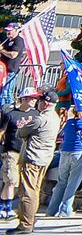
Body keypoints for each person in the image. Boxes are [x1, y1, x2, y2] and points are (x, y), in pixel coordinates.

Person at [11, 90, 56, 234]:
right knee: (35, 190)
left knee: (27, 191)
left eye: (41, 101)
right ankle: (30, 219)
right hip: (44, 158)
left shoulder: (40, 119)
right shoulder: (55, 118)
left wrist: (23, 125)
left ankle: (25, 224)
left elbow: (20, 132)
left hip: (32, 157)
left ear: (45, 103)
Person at [47, 105, 82, 217]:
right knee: (73, 182)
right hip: (78, 152)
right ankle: (65, 210)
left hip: (65, 152)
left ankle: (52, 209)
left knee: (61, 181)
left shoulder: (68, 123)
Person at [0, 91, 29, 226]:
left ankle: (5, 205)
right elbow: (2, 132)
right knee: (11, 180)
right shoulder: (10, 115)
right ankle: (7, 207)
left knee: (15, 182)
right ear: (23, 99)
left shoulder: (35, 115)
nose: (33, 101)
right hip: (11, 151)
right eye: (30, 99)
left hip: (25, 153)